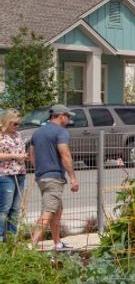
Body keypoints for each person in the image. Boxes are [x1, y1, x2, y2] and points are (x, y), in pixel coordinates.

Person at [28, 104, 79, 251]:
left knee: (57, 208)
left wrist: (39, 170)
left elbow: (32, 154)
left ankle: (57, 243)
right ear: (61, 115)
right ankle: (31, 246)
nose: (69, 120)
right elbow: (65, 155)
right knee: (49, 210)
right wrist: (73, 178)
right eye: (68, 116)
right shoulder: (61, 132)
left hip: (41, 177)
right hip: (54, 177)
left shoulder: (37, 132)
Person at [0, 109, 28, 242]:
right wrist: (14, 156)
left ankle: (11, 238)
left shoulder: (18, 135)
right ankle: (1, 237)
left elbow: (21, 151)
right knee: (4, 208)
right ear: (7, 121)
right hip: (6, 175)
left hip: (20, 173)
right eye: (15, 124)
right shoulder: (1, 135)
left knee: (16, 208)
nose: (17, 126)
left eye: (19, 124)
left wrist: (23, 157)